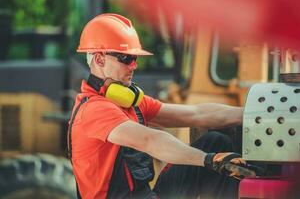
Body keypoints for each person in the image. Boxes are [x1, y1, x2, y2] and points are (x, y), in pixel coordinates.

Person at [68, 13, 246, 199]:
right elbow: (151, 140)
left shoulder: (130, 103)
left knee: (214, 141)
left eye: (135, 58)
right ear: (99, 59)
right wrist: (209, 160)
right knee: (211, 152)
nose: (134, 65)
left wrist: (251, 113)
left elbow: (196, 113)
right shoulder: (94, 109)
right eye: (126, 58)